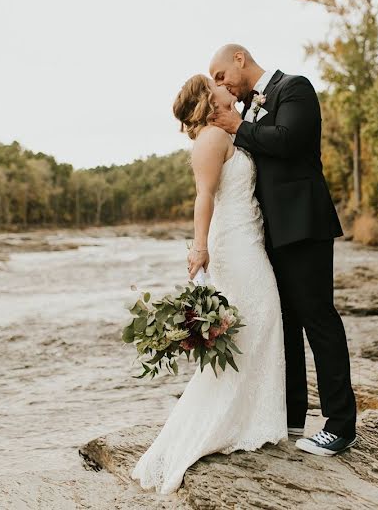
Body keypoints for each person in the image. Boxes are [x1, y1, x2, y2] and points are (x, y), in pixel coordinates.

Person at [131, 74, 287, 494]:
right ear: (206, 98)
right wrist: (198, 249)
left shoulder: (222, 133)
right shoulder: (210, 141)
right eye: (215, 85)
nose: (223, 87)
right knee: (260, 318)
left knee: (261, 322)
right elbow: (204, 196)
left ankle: (253, 420)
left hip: (248, 235)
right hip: (233, 244)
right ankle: (220, 424)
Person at [207, 43, 358, 457]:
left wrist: (239, 127)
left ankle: (341, 425)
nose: (220, 85)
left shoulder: (295, 88)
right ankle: (291, 418)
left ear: (240, 59)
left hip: (304, 224)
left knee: (317, 318)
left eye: (220, 75)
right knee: (285, 323)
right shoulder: (247, 110)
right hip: (267, 232)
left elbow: (289, 140)